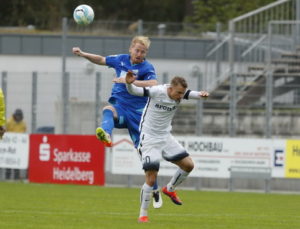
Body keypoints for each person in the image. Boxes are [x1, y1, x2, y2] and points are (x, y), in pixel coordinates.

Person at [72, 36, 163, 208]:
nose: (139, 54)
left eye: (143, 52)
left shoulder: (147, 67)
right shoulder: (120, 60)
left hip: (138, 114)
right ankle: (106, 132)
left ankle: (156, 190)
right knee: (108, 110)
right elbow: (100, 59)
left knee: (145, 157)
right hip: (120, 106)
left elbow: (153, 83)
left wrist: (131, 81)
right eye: (137, 50)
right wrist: (83, 54)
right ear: (131, 49)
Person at [125, 72, 209, 223]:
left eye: (182, 94)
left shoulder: (180, 94)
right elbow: (135, 91)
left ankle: (169, 189)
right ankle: (143, 214)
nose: (180, 96)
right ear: (170, 88)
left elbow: (191, 94)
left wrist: (201, 94)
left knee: (188, 165)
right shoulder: (157, 91)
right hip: (149, 139)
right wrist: (129, 83)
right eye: (178, 93)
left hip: (165, 137)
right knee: (151, 177)